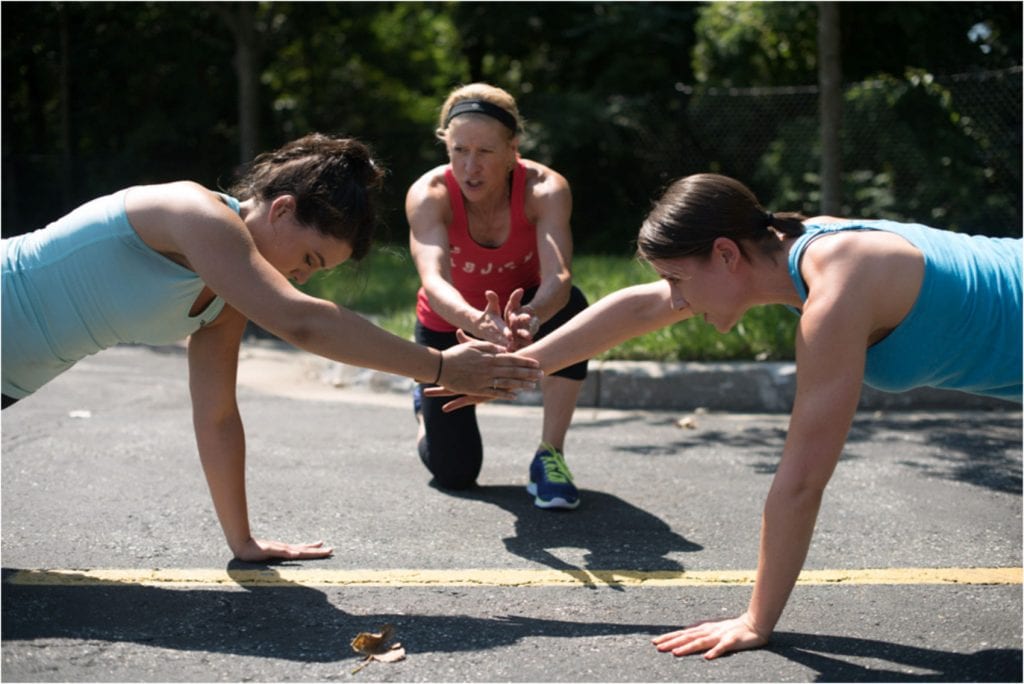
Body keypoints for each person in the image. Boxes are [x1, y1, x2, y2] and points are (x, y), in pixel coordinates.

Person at [430, 172, 1022, 658]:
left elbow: (801, 482)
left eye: (679, 280)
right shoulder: (784, 248)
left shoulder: (837, 292)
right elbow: (639, 310)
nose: (676, 298)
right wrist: (519, 367)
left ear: (725, 254)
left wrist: (756, 620)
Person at [1, 132, 542, 562]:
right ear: (281, 209)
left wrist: (243, 542)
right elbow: (300, 322)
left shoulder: (226, 300)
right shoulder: (194, 213)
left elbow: (216, 416)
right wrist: (441, 364)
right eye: (308, 259)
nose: (302, 278)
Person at [405, 83, 590, 508]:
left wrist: (532, 316)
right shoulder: (428, 195)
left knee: (574, 309)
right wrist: (478, 322)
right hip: (451, 325)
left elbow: (558, 276)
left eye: (485, 152)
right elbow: (434, 283)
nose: (470, 167)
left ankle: (550, 455)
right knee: (455, 473)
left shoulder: (545, 189)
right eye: (458, 150)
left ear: (513, 149)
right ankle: (423, 408)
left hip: (527, 310)